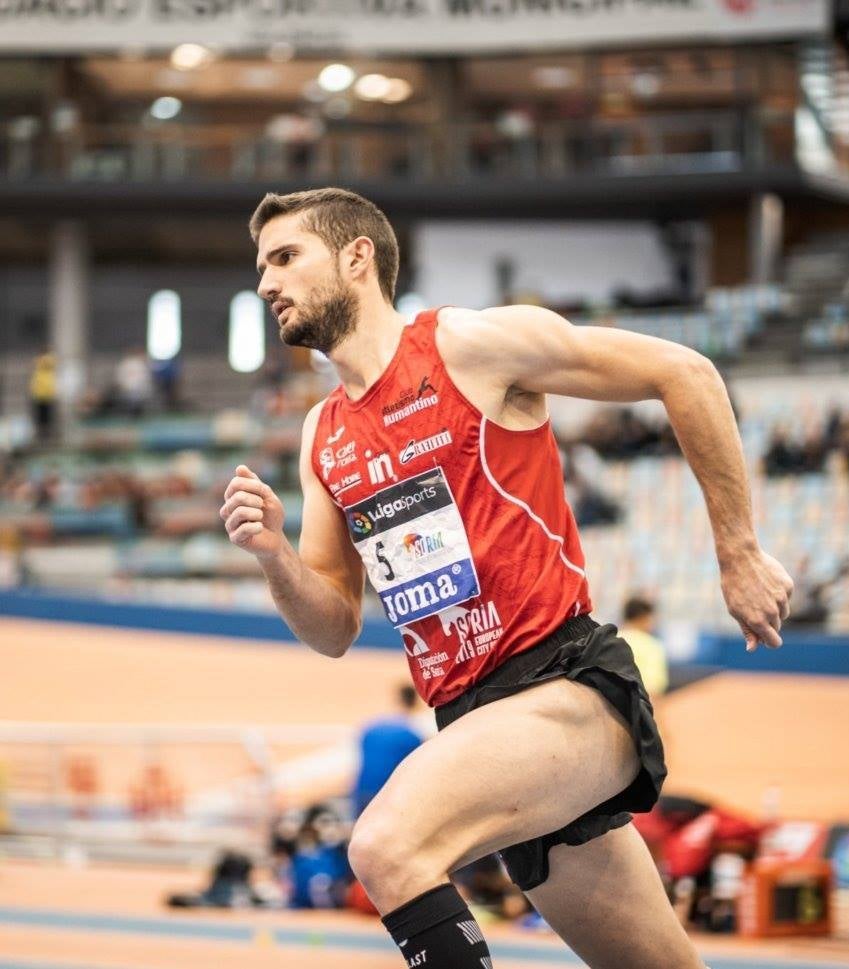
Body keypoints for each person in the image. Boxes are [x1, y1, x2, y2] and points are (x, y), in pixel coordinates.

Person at [221, 188, 794, 969]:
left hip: (566, 689)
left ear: (357, 257)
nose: (266, 283)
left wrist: (737, 550)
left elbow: (683, 371)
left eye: (285, 257)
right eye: (261, 266)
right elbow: (333, 629)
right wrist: (275, 554)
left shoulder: (469, 345)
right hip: (475, 723)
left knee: (386, 845)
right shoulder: (324, 434)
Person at [352, 683, 426, 818]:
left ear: (398, 699)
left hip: (362, 791)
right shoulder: (413, 736)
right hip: (388, 797)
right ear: (415, 703)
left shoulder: (370, 728)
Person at [618, 596, 669, 699]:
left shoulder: (610, 639)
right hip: (638, 708)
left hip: (609, 708)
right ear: (643, 617)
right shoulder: (651, 645)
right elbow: (654, 688)